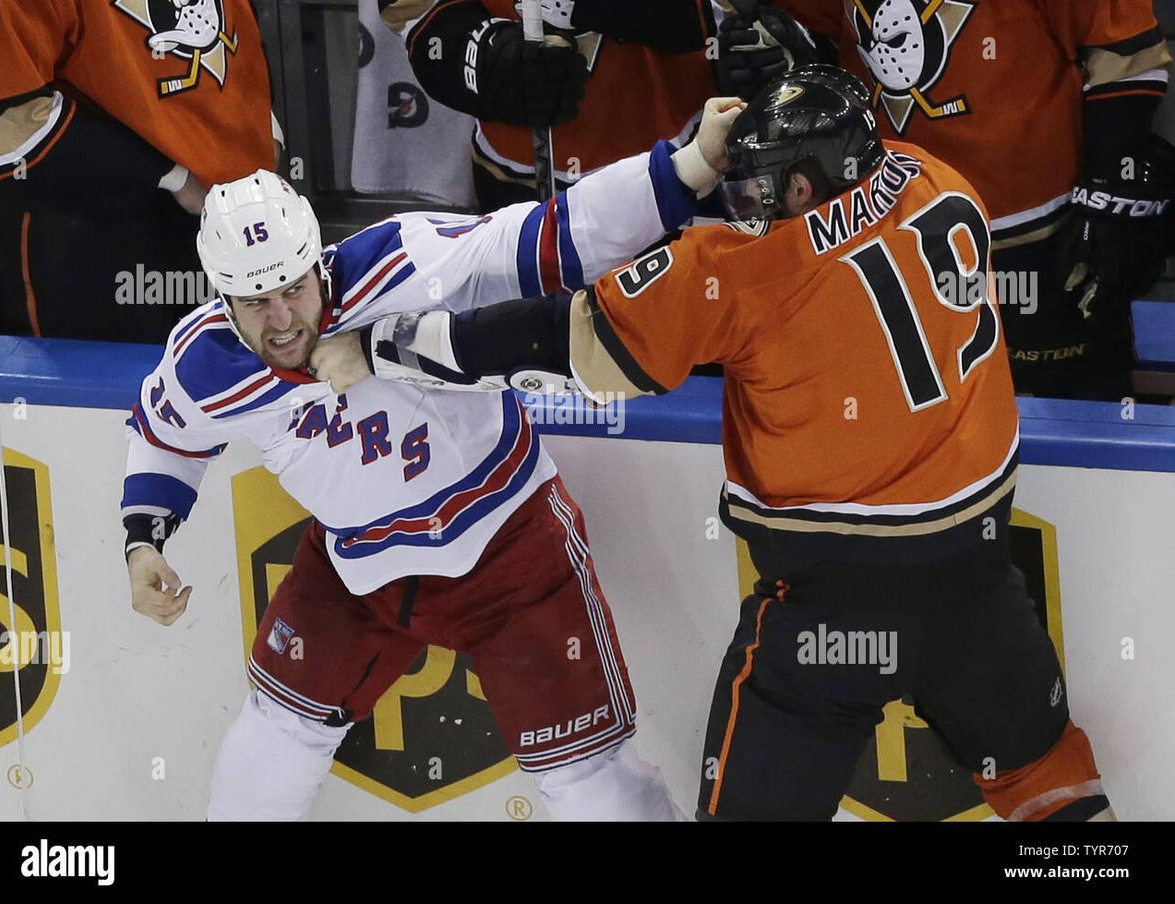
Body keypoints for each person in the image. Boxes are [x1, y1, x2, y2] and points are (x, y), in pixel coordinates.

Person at [365, 66, 1116, 821]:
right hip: (976, 579)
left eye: (765, 184)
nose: (746, 201)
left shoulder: (745, 270)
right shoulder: (943, 180)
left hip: (834, 611)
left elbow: (566, 341)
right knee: (1050, 787)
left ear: (806, 184)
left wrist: (391, 346)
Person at [121, 99, 742, 820]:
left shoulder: (406, 262)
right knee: (276, 732)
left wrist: (691, 164)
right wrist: (144, 542)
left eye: (294, 288)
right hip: (355, 570)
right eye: (256, 301)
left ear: (317, 260)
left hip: (509, 551)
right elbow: (167, 436)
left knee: (588, 778)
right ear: (221, 298)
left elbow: (557, 233)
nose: (283, 318)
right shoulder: (205, 360)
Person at [730, 0, 1174, 400]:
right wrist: (785, 45)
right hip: (884, 236)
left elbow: (1126, 53)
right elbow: (800, 25)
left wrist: (1109, 190)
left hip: (1038, 243)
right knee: (898, 408)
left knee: (1066, 426)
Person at [0, 0, 279, 341]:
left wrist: (263, 134)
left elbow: (235, 30)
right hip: (93, 245)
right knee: (115, 388)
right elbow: (1, 127)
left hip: (231, 218)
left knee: (230, 383)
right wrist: (172, 177)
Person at [384, 0, 720, 210]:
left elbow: (740, 14)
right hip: (518, 180)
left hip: (685, 163)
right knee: (529, 317)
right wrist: (483, 58)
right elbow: (414, 12)